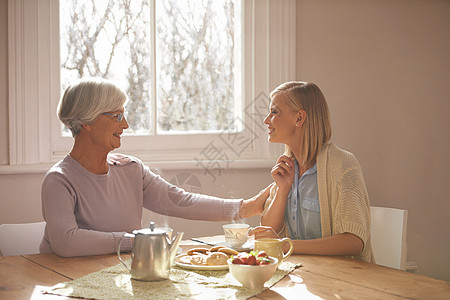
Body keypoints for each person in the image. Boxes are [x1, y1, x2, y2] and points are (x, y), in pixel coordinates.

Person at [40, 77, 271, 257]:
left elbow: (180, 201)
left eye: (124, 115)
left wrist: (245, 208)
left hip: (117, 276)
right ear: (86, 122)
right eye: (116, 116)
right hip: (64, 283)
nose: (126, 124)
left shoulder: (131, 170)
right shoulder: (59, 180)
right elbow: (66, 243)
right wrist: (138, 240)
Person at [249, 81, 374, 262]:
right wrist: (282, 190)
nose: (266, 120)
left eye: (274, 112)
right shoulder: (288, 167)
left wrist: (286, 245)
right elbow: (269, 231)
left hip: (341, 280)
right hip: (301, 275)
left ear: (299, 118)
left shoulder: (344, 165)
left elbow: (354, 241)